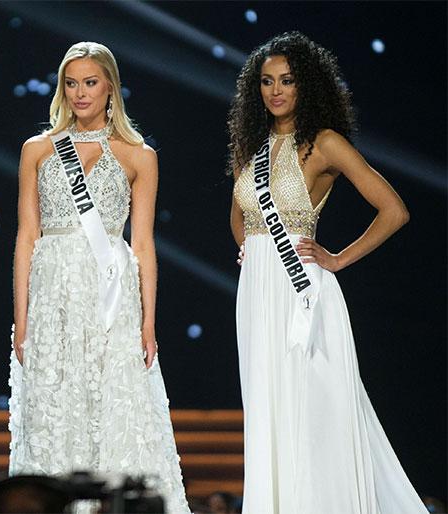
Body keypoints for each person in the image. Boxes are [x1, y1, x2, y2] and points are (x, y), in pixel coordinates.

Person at [228, 31, 426, 514]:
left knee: (314, 414)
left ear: (306, 85)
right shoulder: (252, 150)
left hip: (303, 295)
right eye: (267, 82)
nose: (276, 91)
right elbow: (239, 217)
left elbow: (393, 210)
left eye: (287, 81)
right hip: (257, 295)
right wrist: (251, 252)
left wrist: (337, 258)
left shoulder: (324, 144)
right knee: (269, 413)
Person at [8, 41, 189, 513]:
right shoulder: (38, 149)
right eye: (72, 83)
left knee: (112, 404)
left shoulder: (138, 154)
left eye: (90, 82)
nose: (80, 93)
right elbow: (27, 235)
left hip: (111, 293)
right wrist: (21, 320)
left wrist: (148, 322)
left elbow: (144, 244)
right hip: (52, 294)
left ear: (110, 85)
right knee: (54, 406)